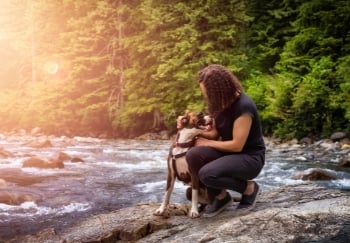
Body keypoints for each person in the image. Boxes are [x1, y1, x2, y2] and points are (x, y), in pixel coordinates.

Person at [184, 64, 265, 218]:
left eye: (208, 92)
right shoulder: (218, 104)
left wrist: (207, 143)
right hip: (228, 153)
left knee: (207, 174)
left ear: (219, 89)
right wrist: (191, 130)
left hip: (250, 157)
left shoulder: (244, 107)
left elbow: (237, 145)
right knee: (193, 155)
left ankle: (249, 188)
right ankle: (221, 197)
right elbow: (215, 133)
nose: (206, 96)